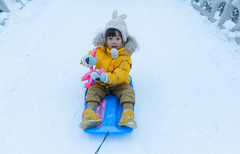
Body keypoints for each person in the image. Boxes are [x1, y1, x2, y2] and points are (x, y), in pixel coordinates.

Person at [80, 10, 138, 130]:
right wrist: (87, 60)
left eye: (117, 38)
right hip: (100, 83)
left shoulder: (125, 57)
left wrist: (107, 77)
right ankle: (90, 114)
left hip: (119, 83)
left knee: (128, 92)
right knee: (92, 91)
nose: (114, 41)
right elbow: (89, 57)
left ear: (124, 40)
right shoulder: (99, 51)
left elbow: (121, 74)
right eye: (110, 38)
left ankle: (127, 115)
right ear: (105, 39)